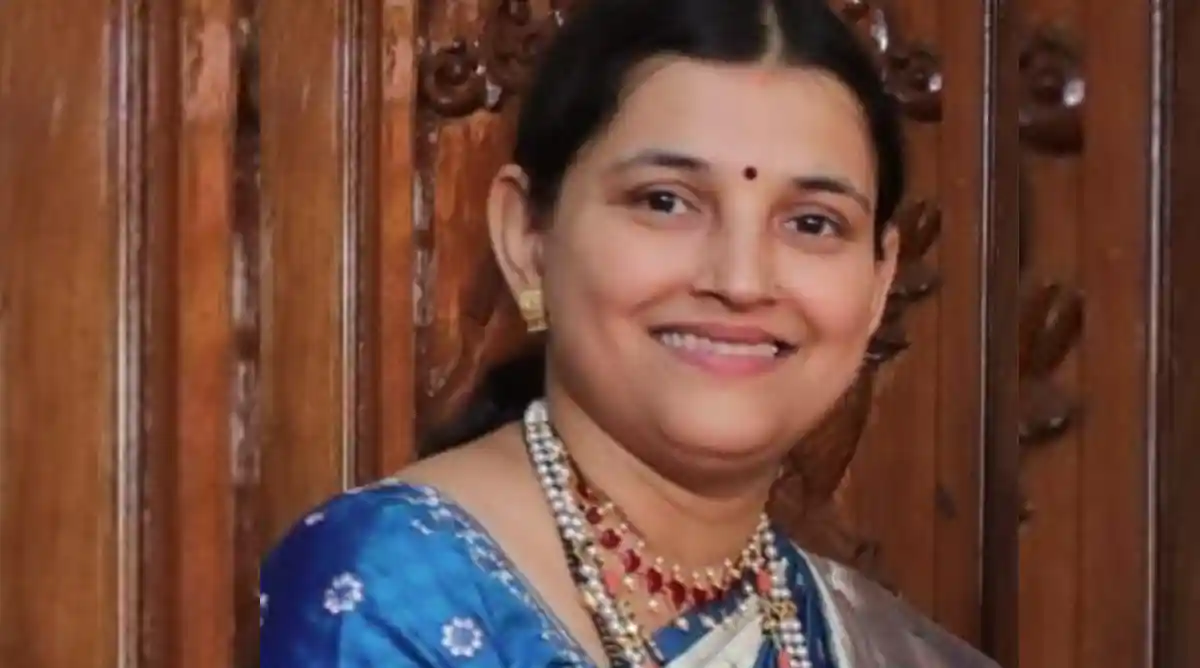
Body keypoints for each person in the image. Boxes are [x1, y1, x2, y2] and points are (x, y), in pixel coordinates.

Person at [259, 0, 1000, 666]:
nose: (742, 281)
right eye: (666, 202)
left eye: (812, 222)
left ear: (878, 279)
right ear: (527, 237)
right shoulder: (395, 589)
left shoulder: (869, 643)